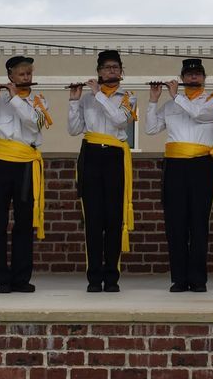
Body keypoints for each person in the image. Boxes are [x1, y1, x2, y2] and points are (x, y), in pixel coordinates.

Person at [144, 58, 213, 293]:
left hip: (201, 165)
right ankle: (179, 278)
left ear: (204, 78)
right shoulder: (170, 105)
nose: (193, 78)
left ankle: (198, 278)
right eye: (189, 75)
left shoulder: (211, 100)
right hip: (175, 166)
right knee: (175, 223)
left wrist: (175, 96)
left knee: (199, 223)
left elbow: (198, 115)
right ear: (182, 78)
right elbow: (150, 129)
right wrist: (153, 100)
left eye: (198, 74)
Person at [0, 56, 51, 294]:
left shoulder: (39, 99)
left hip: (26, 164)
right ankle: (1, 279)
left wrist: (16, 98)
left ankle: (21, 278)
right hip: (0, 164)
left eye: (29, 74)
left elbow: (34, 124)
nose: (27, 78)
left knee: (24, 223)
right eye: (22, 74)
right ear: (10, 77)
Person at [68, 50, 137, 293]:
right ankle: (94, 277)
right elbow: (74, 129)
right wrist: (75, 101)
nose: (112, 71)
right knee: (93, 219)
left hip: (115, 157)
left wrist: (98, 94)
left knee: (113, 218)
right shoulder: (87, 99)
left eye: (116, 67)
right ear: (98, 71)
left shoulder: (128, 97)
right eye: (107, 68)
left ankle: (112, 277)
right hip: (92, 155)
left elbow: (120, 120)